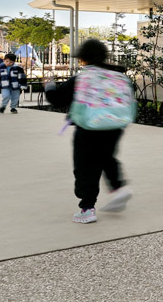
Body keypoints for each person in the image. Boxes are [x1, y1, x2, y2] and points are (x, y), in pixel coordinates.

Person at [45, 39, 134, 223]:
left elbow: (57, 99)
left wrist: (49, 85)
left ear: (83, 58)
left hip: (88, 126)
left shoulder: (82, 77)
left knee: (85, 166)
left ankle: (87, 208)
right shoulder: (118, 75)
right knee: (107, 158)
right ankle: (120, 188)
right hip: (115, 125)